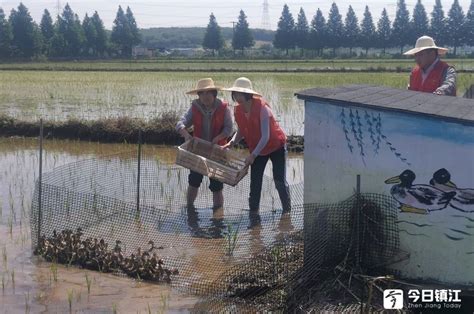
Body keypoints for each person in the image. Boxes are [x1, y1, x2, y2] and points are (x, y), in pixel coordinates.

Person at [222, 77, 291, 213]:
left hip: (275, 146)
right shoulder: (238, 111)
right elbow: (241, 130)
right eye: (235, 93)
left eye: (240, 93)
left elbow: (265, 136)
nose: (237, 96)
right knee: (255, 182)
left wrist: (253, 155)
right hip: (258, 149)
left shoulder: (263, 109)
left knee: (279, 181)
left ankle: (286, 211)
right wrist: (231, 142)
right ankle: (254, 214)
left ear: (248, 94)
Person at [176, 78, 233, 209]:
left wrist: (217, 138)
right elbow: (180, 123)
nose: (205, 96)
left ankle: (218, 215)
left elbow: (229, 129)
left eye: (208, 93)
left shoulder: (223, 108)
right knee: (194, 181)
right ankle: (189, 208)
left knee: (217, 186)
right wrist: (186, 135)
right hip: (198, 152)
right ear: (199, 96)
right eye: (202, 93)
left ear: (214, 94)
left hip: (217, 152)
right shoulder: (195, 107)